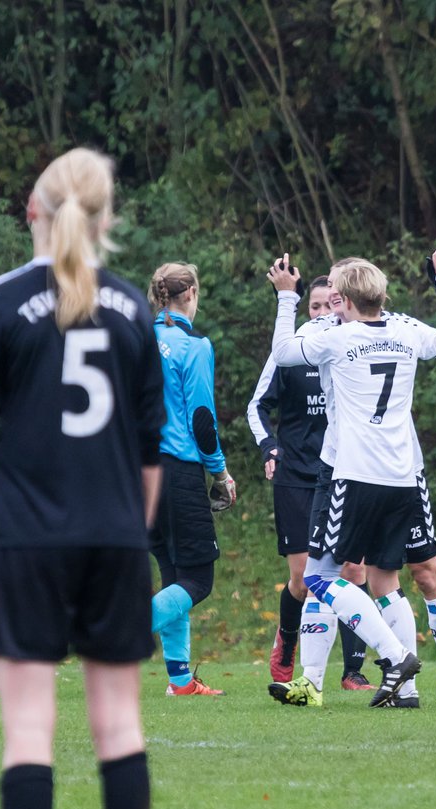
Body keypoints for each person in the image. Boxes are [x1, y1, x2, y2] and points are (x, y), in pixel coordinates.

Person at [0, 147, 163, 809]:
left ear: (33, 212)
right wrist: (138, 532)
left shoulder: (3, 300)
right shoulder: (136, 306)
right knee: (119, 726)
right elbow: (149, 446)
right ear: (108, 220)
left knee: (30, 730)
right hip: (114, 536)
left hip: (24, 538)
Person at [266, 235, 436, 708]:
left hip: (353, 476)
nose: (330, 300)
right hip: (401, 475)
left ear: (348, 299)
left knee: (320, 576)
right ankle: (399, 688)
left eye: (336, 293)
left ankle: (398, 657)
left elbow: (281, 354)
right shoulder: (403, 330)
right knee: (381, 580)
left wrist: (285, 297)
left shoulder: (334, 338)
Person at [246, 277, 374, 691]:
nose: (322, 313)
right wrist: (269, 446)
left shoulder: (348, 351)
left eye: (328, 306)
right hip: (297, 478)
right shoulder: (292, 352)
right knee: (304, 580)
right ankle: (287, 641)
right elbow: (257, 405)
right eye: (314, 306)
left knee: (355, 569)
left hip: (344, 473)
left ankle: (353, 671)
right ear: (306, 311)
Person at [146, 262, 236, 697]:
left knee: (174, 574)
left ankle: (180, 680)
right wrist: (219, 472)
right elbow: (202, 419)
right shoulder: (193, 345)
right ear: (191, 295)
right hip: (176, 471)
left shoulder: (135, 339)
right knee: (198, 580)